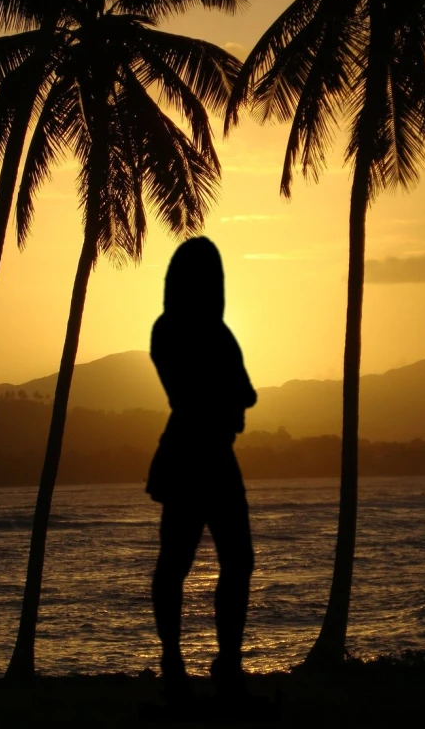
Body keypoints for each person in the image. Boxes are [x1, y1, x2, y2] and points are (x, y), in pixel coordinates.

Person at [147, 236, 256, 699]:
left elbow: (243, 394)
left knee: (222, 561)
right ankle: (184, 660)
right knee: (183, 563)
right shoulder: (191, 331)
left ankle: (215, 661)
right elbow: (237, 393)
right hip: (198, 453)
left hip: (199, 453)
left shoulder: (185, 330)